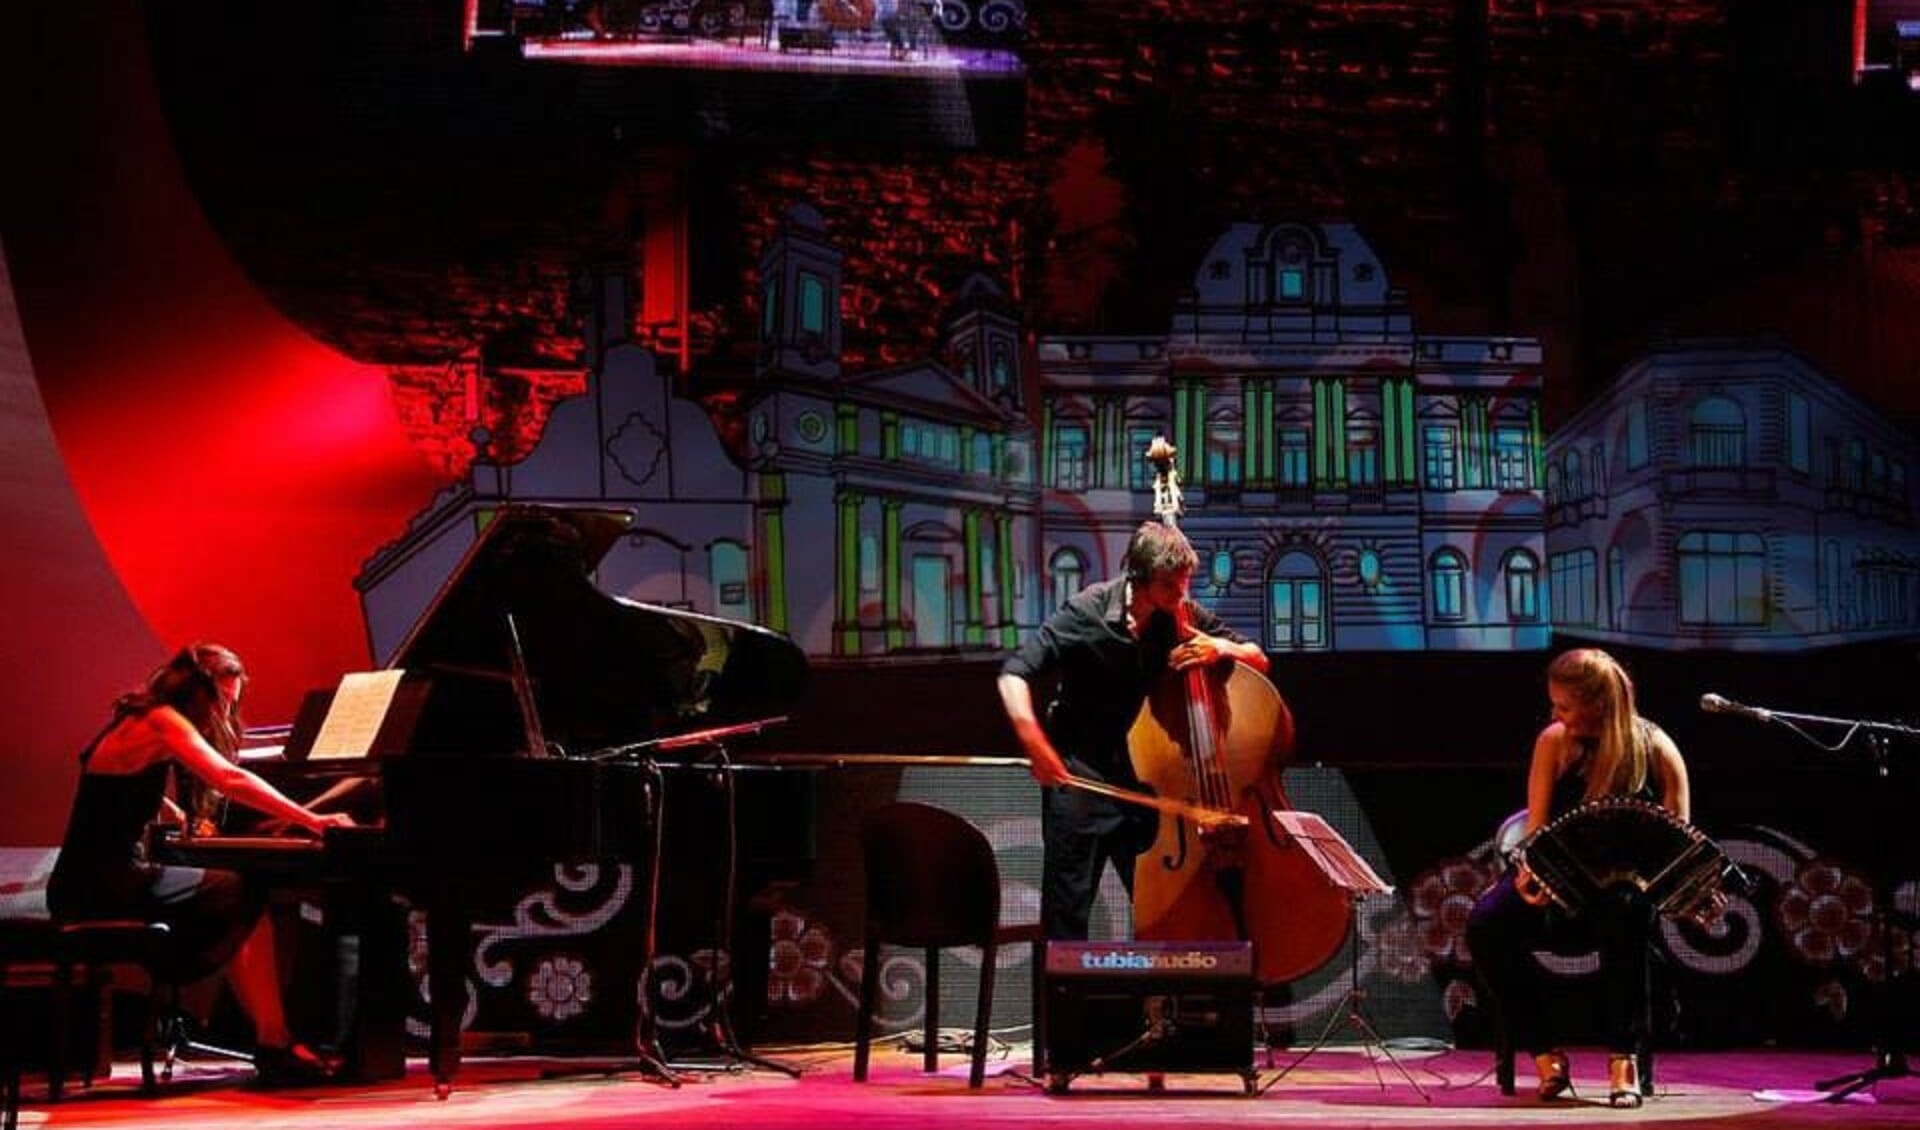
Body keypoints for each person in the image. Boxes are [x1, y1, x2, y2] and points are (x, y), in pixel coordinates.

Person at [46, 643, 356, 1084]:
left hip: (85, 880)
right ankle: (275, 1043)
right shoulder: (161, 721)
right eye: (223, 702)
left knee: (233, 892)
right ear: (199, 694)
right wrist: (313, 820)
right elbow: (229, 778)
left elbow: (113, 791)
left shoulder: (138, 717)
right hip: (103, 883)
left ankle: (274, 1039)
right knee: (243, 890)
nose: (226, 714)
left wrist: (172, 812)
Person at [997, 522, 1269, 941]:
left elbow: (1257, 658)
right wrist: (1033, 740)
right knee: (1067, 914)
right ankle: (1063, 1004)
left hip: (1140, 779)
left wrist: (1221, 647)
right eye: (1170, 587)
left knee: (1160, 904)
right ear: (1139, 577)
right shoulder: (1085, 612)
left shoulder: (1176, 617)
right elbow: (1015, 674)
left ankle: (1157, 1003)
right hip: (1078, 774)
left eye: (1184, 586)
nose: (1182, 597)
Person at [1464, 647, 1692, 1109]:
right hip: (1558, 891)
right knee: (1487, 923)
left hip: (1620, 898)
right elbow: (1537, 831)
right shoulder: (1553, 742)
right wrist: (1531, 875)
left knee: (1627, 911)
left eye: (1564, 706)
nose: (1556, 714)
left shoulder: (1657, 749)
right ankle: (1546, 1055)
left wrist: (1654, 885)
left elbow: (1677, 841)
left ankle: (1622, 1060)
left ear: (1598, 705)